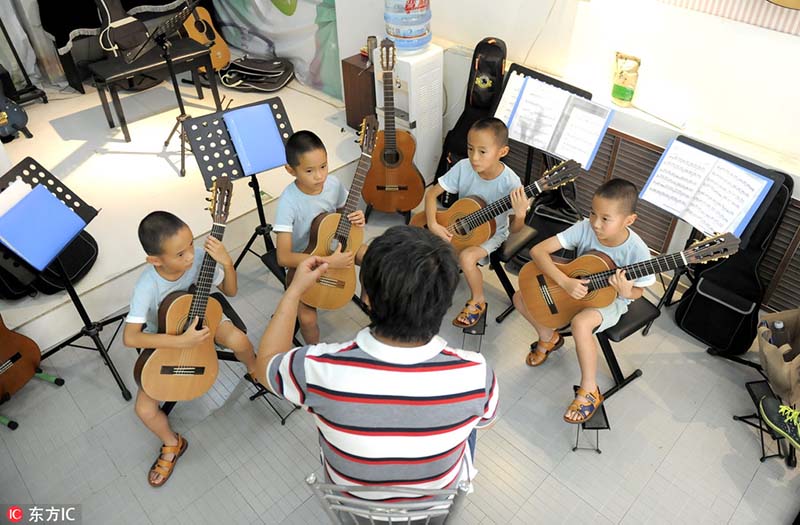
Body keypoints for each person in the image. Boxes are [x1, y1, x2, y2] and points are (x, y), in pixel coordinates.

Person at [255, 226, 499, 493]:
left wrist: (294, 290)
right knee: (471, 422)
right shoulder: (477, 372)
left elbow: (264, 364)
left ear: (367, 297)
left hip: (352, 500)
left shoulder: (316, 367)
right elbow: (486, 421)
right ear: (446, 300)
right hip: (437, 502)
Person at [123, 211, 258, 487]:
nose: (190, 257)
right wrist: (181, 342)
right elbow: (130, 338)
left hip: (203, 317)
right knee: (144, 410)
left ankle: (256, 371)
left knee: (241, 342)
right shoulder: (146, 286)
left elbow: (230, 291)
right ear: (155, 260)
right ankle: (172, 443)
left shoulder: (198, 257)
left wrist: (227, 263)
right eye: (180, 254)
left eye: (190, 246)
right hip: (166, 334)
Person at [512, 179, 655, 423]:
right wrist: (564, 281)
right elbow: (538, 252)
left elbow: (638, 293)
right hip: (573, 286)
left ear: (628, 220)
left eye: (606, 219)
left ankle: (589, 389)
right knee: (519, 298)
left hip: (612, 301)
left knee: (580, 324)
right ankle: (549, 338)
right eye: (592, 213)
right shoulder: (585, 227)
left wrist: (624, 290)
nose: (596, 224)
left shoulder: (638, 251)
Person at [423, 117, 528, 328]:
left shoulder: (510, 183)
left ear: (502, 152)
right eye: (470, 149)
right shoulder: (463, 167)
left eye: (482, 151)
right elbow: (431, 195)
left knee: (467, 257)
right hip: (462, 223)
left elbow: (515, 230)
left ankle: (478, 300)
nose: (474, 157)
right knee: (425, 244)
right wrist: (433, 224)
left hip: (493, 233)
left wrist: (520, 215)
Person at [273, 130, 366, 344]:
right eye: (309, 170)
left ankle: (366, 303)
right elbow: (283, 257)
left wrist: (357, 217)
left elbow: (345, 214)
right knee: (306, 319)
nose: (320, 176)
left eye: (323, 166)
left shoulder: (332, 184)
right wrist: (329, 261)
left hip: (334, 247)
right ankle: (315, 353)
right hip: (304, 261)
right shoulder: (288, 202)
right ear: (290, 170)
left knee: (374, 257)